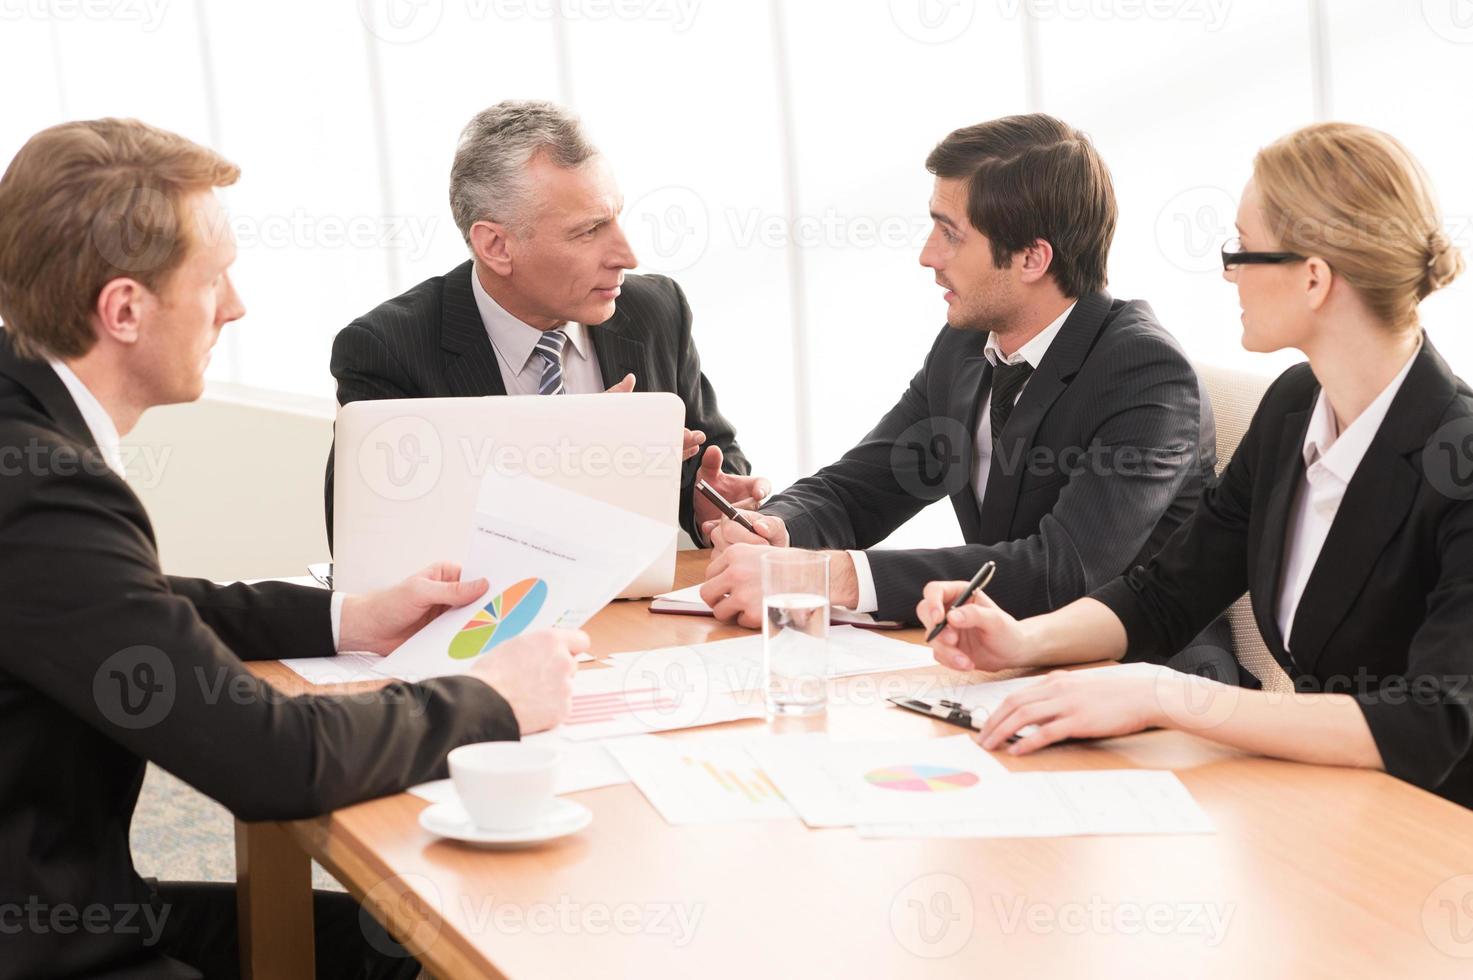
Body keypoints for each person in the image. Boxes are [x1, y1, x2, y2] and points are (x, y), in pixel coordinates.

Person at [0, 118, 586, 979]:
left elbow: (128, 606)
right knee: (425, 950)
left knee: (390, 950)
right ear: (124, 309)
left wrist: (351, 617)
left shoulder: (28, 433)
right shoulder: (44, 489)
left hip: (63, 894)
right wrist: (490, 698)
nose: (235, 306)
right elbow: (272, 759)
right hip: (49, 940)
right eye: (215, 279)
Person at [918, 122, 1473, 808]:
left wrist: (1170, 696)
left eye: (1242, 249)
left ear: (1312, 278)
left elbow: (1433, 722)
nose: (1228, 271)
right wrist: (1021, 641)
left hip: (1433, 837)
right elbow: (1167, 592)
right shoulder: (1294, 408)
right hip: (1328, 805)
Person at [701, 114, 1218, 632]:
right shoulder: (967, 346)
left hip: (1137, 682)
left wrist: (832, 578)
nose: (928, 255)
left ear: (1032, 258)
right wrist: (776, 528)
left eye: (951, 234)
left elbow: (1063, 573)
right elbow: (859, 489)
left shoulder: (1146, 374)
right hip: (993, 665)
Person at [325, 100, 764, 545]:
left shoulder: (656, 311)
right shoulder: (388, 349)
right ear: (496, 245)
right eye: (588, 231)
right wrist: (571, 463)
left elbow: (715, 457)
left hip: (633, 606)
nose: (626, 257)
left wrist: (705, 502)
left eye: (616, 217)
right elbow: (369, 543)